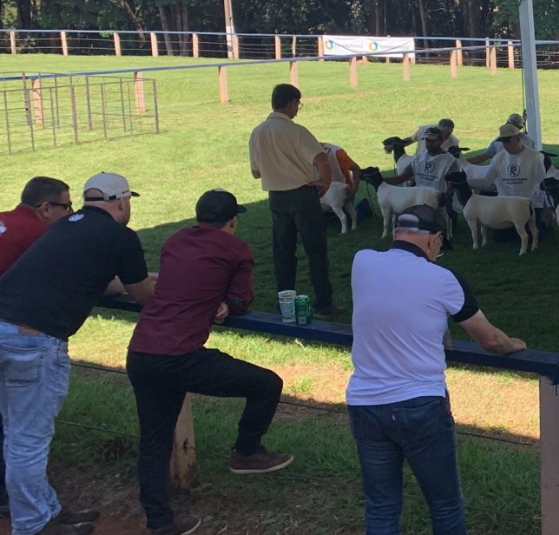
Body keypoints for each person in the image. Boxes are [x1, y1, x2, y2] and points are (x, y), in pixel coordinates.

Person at [347, 205, 525, 535]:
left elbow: (398, 304)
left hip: (365, 402)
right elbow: (489, 340)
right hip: (420, 403)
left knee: (382, 504)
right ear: (435, 240)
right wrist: (513, 344)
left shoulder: (363, 261)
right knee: (444, 503)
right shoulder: (444, 279)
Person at [126, 190, 293, 535]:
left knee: (154, 441)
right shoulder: (236, 248)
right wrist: (227, 305)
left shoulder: (175, 240)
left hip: (142, 351)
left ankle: (159, 521)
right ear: (232, 220)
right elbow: (242, 298)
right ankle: (246, 452)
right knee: (266, 384)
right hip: (182, 355)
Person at [0, 173, 156, 535]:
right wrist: (156, 283)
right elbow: (143, 296)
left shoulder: (63, 226)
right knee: (28, 438)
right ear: (121, 201)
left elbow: (86, 274)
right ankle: (33, 524)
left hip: (4, 322)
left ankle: (44, 510)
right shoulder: (121, 237)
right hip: (34, 337)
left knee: (14, 432)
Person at [0, 177, 74, 520]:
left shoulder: (4, 219)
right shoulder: (41, 234)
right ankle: (33, 519)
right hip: (18, 331)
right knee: (25, 436)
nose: (71, 214)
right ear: (45, 208)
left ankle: (34, 506)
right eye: (67, 206)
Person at [248, 84, 342, 317]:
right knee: (316, 250)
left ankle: (285, 302)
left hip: (276, 198)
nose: (297, 110)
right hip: (303, 195)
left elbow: (256, 172)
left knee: (283, 253)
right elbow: (322, 159)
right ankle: (323, 303)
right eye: (297, 105)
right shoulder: (296, 131)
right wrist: (326, 181)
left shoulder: (257, 132)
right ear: (291, 103)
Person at [384, 127, 462, 193]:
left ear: (440, 141)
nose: (429, 143)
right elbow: (402, 177)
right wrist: (380, 179)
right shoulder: (418, 159)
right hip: (418, 198)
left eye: (433, 141)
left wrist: (445, 198)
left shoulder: (450, 161)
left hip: (437, 200)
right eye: (427, 140)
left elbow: (454, 186)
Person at [467, 114, 534, 165]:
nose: (505, 145)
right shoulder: (498, 142)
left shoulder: (528, 142)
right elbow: (484, 157)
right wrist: (463, 162)